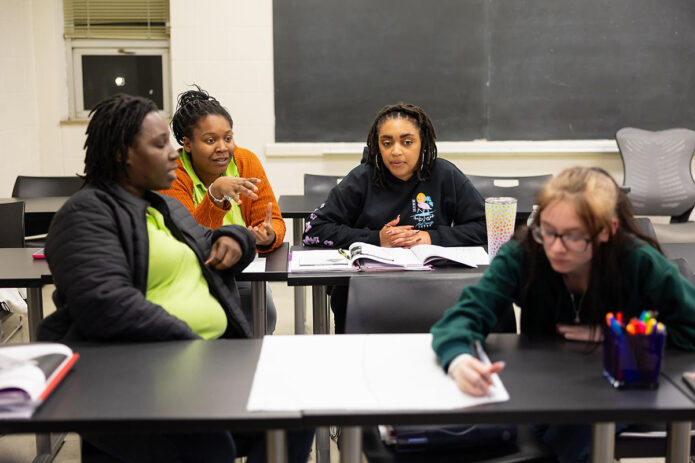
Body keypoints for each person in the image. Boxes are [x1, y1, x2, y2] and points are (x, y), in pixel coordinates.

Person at [37, 93, 312, 463]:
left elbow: (208, 240)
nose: (172, 153)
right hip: (139, 374)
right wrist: (195, 344)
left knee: (298, 411)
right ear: (123, 154)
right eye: (160, 143)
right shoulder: (85, 214)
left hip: (202, 365)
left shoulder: (160, 205)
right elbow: (105, 305)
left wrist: (237, 237)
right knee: (210, 446)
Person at [431, 166, 695, 463]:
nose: (556, 248)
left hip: (617, 388)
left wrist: (614, 334)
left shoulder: (637, 260)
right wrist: (458, 360)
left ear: (608, 230)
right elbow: (461, 318)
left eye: (573, 237)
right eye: (548, 232)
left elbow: (690, 324)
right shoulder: (525, 253)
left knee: (572, 440)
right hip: (545, 387)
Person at [302, 103, 487, 332]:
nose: (396, 151)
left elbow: (485, 227)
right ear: (377, 145)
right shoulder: (362, 178)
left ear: (423, 143)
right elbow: (313, 230)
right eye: (387, 143)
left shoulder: (444, 174)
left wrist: (432, 237)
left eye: (407, 142)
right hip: (366, 289)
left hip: (432, 287)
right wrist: (377, 239)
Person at [161, 86, 285, 333]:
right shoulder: (172, 172)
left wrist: (268, 236)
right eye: (210, 140)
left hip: (243, 271)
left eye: (228, 138)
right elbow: (188, 241)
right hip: (194, 274)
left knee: (264, 317)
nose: (223, 147)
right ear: (187, 144)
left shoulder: (245, 161)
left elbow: (275, 222)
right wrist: (214, 195)